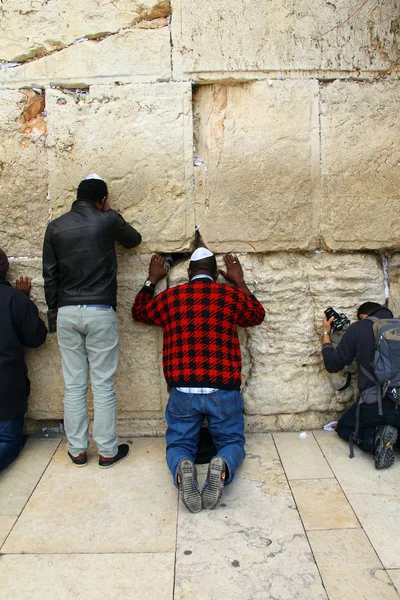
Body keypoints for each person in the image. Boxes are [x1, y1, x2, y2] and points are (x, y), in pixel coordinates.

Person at [132, 248, 265, 512]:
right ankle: (223, 465)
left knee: (180, 444)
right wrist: (239, 281)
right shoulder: (229, 296)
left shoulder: (172, 297)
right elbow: (256, 315)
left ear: (189, 273)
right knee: (231, 443)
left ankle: (183, 468)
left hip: (183, 392)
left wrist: (152, 279)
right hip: (223, 391)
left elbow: (139, 311)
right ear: (217, 275)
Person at [42, 174, 141, 468]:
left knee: (74, 385)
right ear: (103, 199)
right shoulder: (106, 219)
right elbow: (134, 240)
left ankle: (77, 450)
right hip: (100, 310)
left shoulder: (55, 227)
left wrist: (53, 314)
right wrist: (112, 215)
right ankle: (108, 451)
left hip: (67, 311)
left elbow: (50, 276)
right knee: (102, 385)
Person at [322, 301, 400, 469]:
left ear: (363, 316)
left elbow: (332, 364)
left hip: (375, 406)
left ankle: (375, 440)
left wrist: (326, 334)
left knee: (345, 426)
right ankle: (392, 436)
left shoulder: (359, 328)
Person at [0, 248, 47, 469]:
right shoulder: (13, 299)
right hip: (6, 388)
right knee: (8, 441)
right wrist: (24, 302)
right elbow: (36, 337)